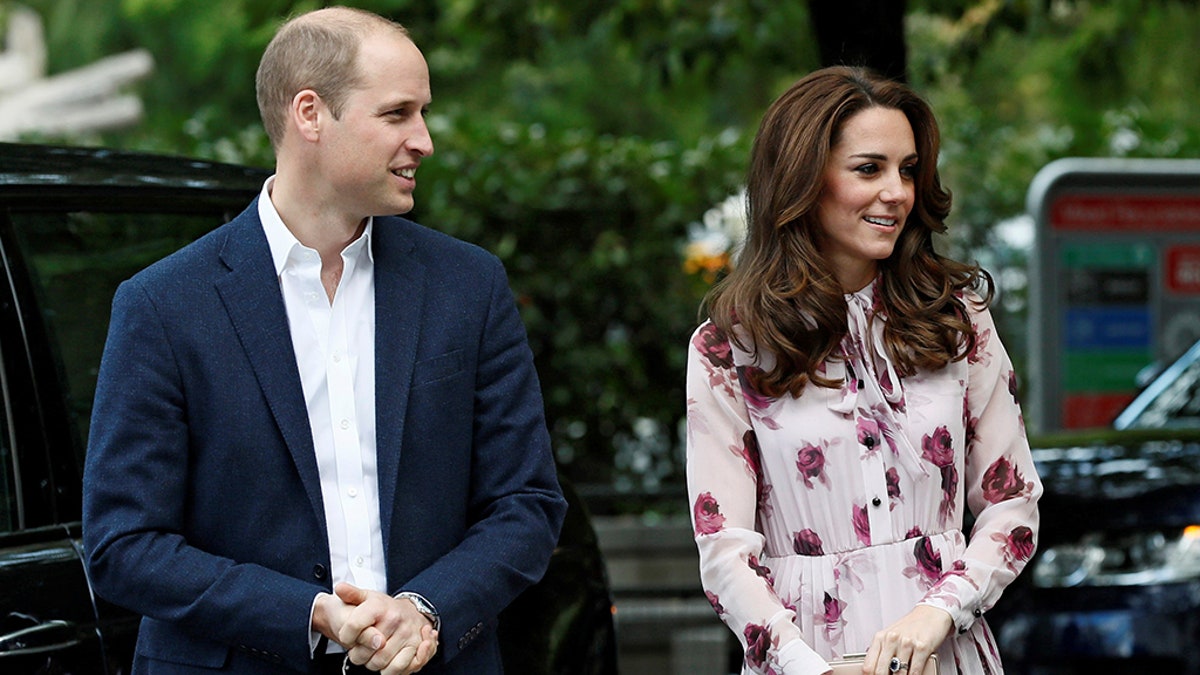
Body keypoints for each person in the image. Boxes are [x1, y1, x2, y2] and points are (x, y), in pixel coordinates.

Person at [82, 7, 566, 675]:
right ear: (310, 114)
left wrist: (427, 608)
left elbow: (528, 503)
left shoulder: (469, 285)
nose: (424, 139)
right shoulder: (163, 306)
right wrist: (307, 611)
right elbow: (123, 545)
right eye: (397, 114)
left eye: (422, 113)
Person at [685, 66, 1041, 675]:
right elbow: (725, 551)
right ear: (803, 179)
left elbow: (1013, 505)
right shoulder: (730, 346)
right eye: (869, 169)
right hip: (806, 660)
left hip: (946, 652)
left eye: (907, 170)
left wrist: (939, 613)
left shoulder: (957, 320)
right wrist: (809, 668)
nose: (897, 192)